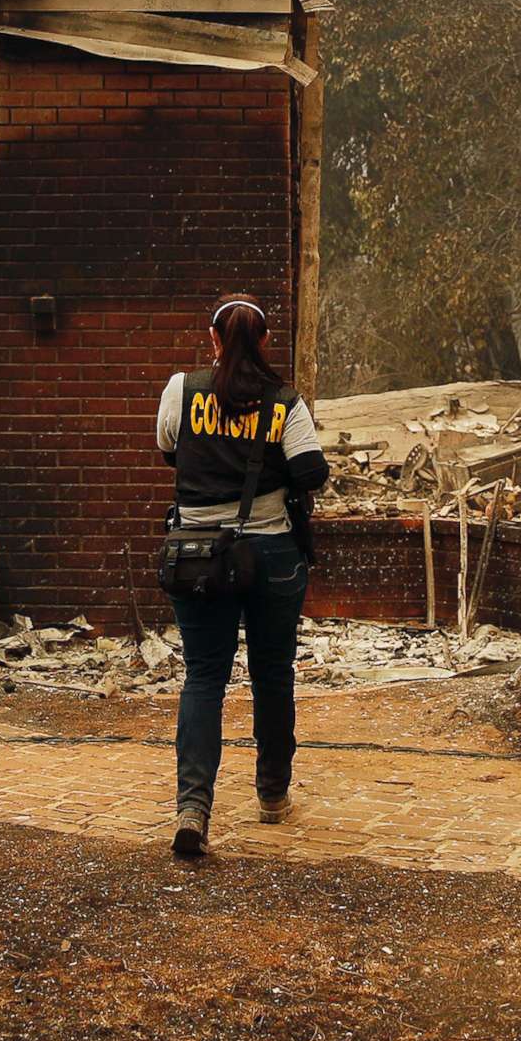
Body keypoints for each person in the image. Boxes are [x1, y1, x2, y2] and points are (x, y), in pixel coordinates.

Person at [155, 294, 330, 858]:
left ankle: (192, 807)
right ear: (264, 344)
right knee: (271, 674)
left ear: (212, 340)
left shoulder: (181, 389)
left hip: (199, 557)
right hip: (272, 555)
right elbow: (312, 472)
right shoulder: (286, 402)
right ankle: (272, 794)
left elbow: (168, 450)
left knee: (204, 677)